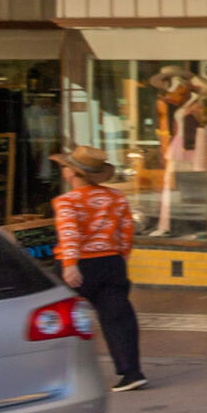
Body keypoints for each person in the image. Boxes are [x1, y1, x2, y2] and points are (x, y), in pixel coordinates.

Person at [52, 146, 146, 393]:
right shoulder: (116, 197)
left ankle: (58, 372)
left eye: (64, 167)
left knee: (54, 315)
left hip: (80, 263)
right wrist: (121, 258)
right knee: (118, 317)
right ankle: (131, 372)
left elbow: (69, 233)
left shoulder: (66, 201)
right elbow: (126, 230)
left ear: (73, 173)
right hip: (111, 262)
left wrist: (70, 265)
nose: (63, 170)